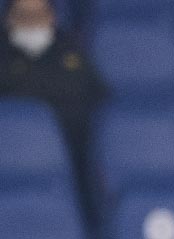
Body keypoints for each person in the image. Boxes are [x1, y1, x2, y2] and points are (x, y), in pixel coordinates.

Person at [1, 0, 105, 147]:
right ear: (8, 18)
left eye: (39, 15)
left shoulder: (71, 52)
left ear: (52, 17)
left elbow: (95, 95)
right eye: (23, 16)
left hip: (67, 145)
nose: (32, 23)